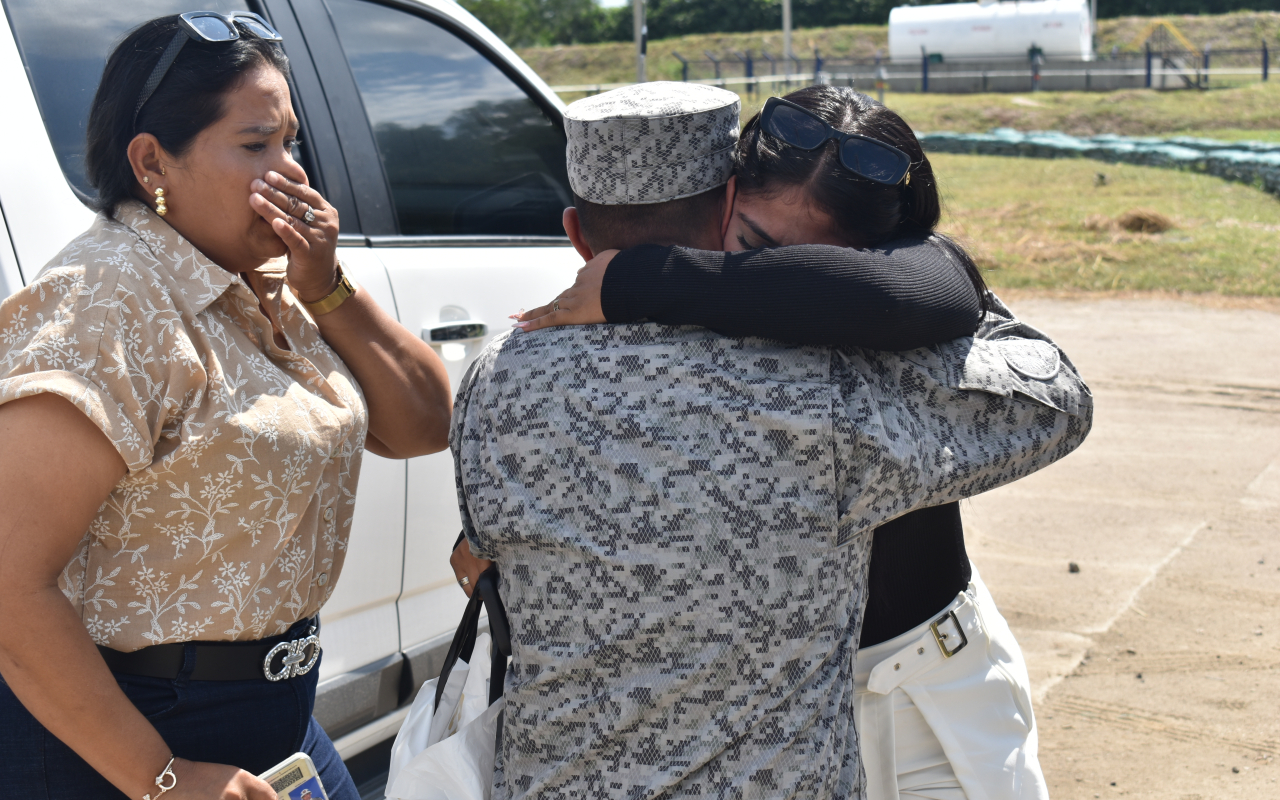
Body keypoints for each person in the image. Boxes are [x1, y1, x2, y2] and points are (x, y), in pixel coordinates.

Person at [449, 81, 1092, 799]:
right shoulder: (819, 386)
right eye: (755, 253)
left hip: (921, 694)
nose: (785, 297)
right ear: (726, 198)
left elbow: (990, 337)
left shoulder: (850, 362)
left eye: (819, 275)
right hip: (794, 723)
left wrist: (653, 278)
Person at [0, 13, 452, 800]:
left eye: (291, 142)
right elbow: (9, 579)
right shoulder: (106, 300)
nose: (291, 175)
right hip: (121, 739)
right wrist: (163, 779)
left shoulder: (269, 276)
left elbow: (421, 425)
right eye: (255, 146)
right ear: (152, 163)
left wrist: (327, 284)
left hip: (275, 716)